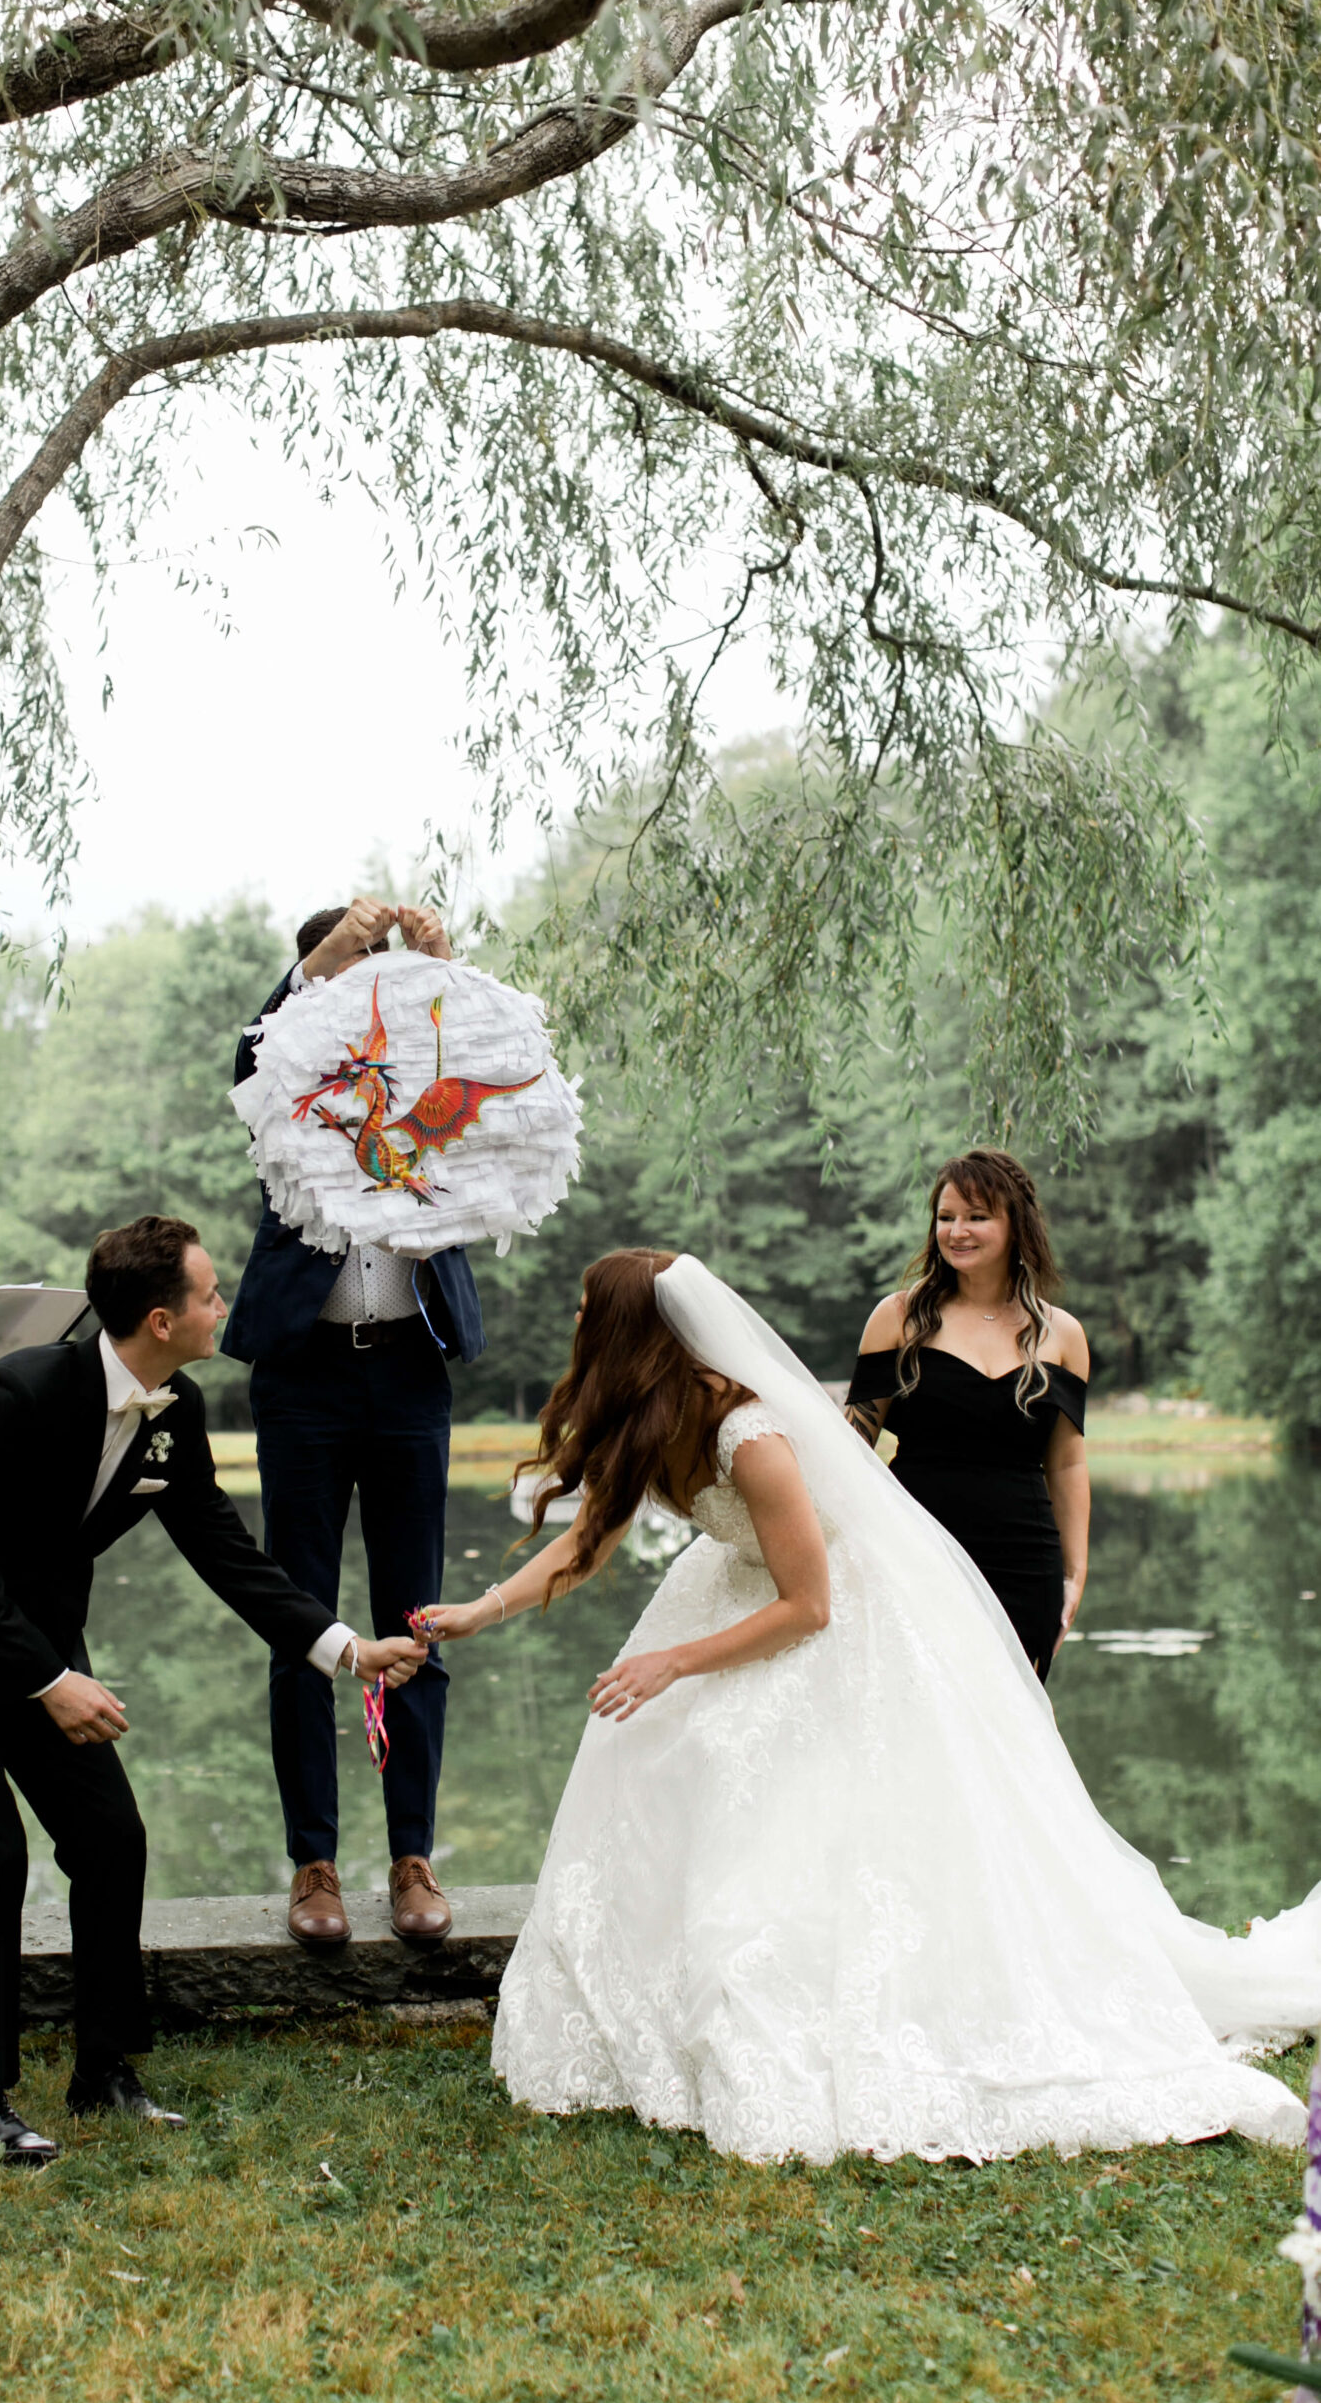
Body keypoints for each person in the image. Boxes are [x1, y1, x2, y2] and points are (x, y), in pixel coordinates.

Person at [421, 1249, 1321, 2166]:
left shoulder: (748, 1433)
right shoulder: (648, 1417)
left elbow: (808, 1607)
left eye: (585, 1309)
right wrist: (479, 1610)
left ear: (628, 1330)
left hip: (832, 1622)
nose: (576, 1325)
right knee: (654, 1755)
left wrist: (674, 1663)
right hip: (739, 1595)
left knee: (773, 1788)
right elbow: (584, 1540)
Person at [0, 1214, 426, 2164]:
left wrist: (345, 1647)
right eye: (211, 1294)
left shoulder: (173, 1412)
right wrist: (50, 1680)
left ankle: (103, 2072)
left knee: (110, 1836)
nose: (223, 1306)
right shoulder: (17, 1392)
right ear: (159, 1317)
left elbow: (226, 1551)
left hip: (33, 1642)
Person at [222, 897, 484, 1949]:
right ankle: (313, 1864)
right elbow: (250, 1059)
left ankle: (412, 1854)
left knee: (418, 1618)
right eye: (345, 972)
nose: (367, 986)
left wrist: (443, 974)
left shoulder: (427, 1062)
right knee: (302, 1621)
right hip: (305, 1377)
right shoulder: (284, 1079)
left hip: (412, 1371)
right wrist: (328, 957)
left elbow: (492, 1072)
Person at [844, 1148, 1090, 1677]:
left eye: (977, 1217)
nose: (957, 1231)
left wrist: (1075, 1571)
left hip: (1025, 1566)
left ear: (1015, 1225)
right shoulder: (899, 1318)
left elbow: (1068, 1464)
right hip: (914, 1553)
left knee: (1008, 1735)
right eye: (946, 1217)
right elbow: (850, 1451)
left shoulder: (1061, 1335)